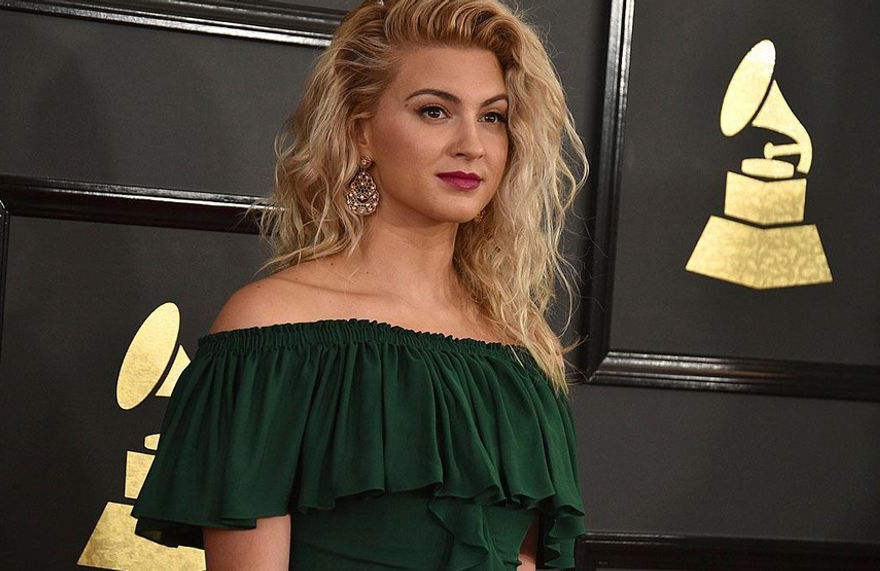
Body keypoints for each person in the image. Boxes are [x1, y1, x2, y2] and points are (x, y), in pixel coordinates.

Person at [131, 0, 588, 568]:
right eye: (434, 112)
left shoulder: (521, 352)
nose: (472, 143)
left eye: (492, 117)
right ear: (361, 132)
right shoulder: (272, 330)